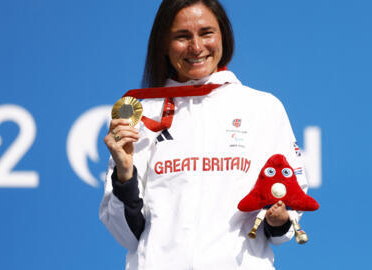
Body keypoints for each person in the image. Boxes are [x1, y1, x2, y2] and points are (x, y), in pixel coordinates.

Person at [100, 0, 309, 269]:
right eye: (182, 36)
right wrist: (124, 175)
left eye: (206, 33)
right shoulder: (140, 113)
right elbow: (126, 236)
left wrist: (278, 220)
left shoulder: (262, 108)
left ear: (224, 35)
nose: (196, 47)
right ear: (163, 43)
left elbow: (289, 205)